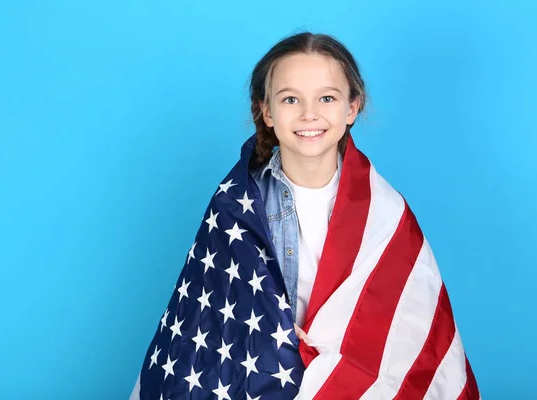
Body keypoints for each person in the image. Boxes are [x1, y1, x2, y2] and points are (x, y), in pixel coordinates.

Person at [130, 31, 480, 399]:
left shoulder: (386, 214)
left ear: (351, 108)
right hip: (257, 380)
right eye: (290, 99)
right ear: (266, 111)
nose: (309, 114)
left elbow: (410, 330)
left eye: (326, 98)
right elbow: (207, 320)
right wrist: (270, 336)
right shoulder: (235, 205)